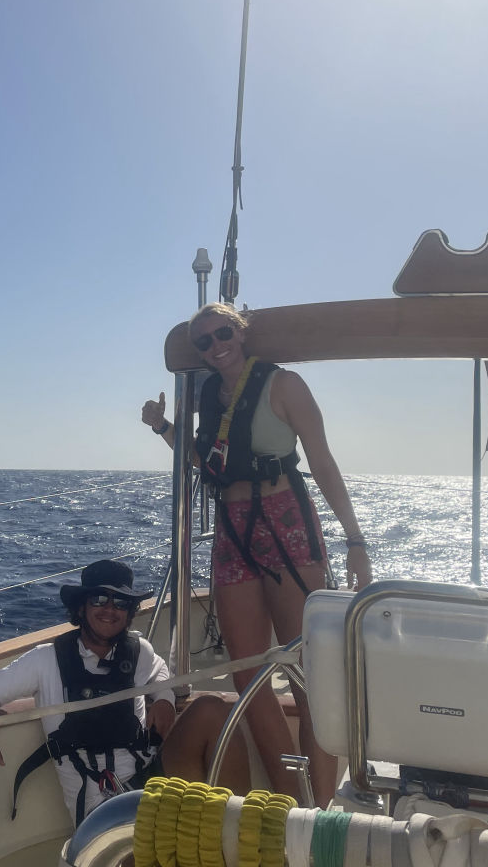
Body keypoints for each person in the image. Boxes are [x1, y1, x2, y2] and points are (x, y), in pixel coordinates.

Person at [140, 302, 372, 804]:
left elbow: (323, 461)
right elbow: (205, 460)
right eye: (204, 341)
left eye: (223, 333)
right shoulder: (210, 395)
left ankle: (321, 810)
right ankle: (291, 803)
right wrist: (163, 428)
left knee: (307, 672)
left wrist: (355, 540)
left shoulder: (284, 385)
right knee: (248, 674)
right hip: (232, 528)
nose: (216, 345)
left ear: (240, 332)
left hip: (285, 521)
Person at [0, 558, 246, 826]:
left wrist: (164, 699)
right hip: (101, 814)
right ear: (81, 608)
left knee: (212, 710)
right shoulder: (45, 660)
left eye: (120, 603)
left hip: (150, 783)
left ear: (129, 612)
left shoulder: (139, 652)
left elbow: (161, 673)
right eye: (99, 599)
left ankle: (239, 829)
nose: (110, 609)